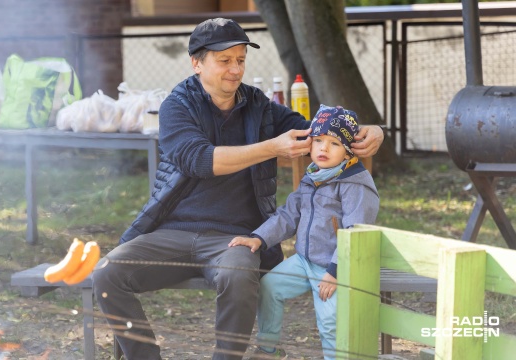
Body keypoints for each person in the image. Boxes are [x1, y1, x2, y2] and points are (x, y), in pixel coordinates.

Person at [92, 18, 384, 360]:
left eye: (241, 60)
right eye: (225, 60)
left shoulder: (258, 105)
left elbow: (316, 131)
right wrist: (271, 148)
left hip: (236, 237)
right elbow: (199, 160)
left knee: (239, 272)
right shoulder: (176, 106)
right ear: (197, 63)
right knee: (107, 274)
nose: (235, 69)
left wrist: (371, 129)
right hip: (172, 231)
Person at [230, 105, 380, 360]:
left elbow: (357, 233)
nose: (323, 148)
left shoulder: (355, 183)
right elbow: (289, 214)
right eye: (318, 140)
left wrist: (335, 272)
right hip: (304, 261)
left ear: (348, 150)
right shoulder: (314, 177)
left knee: (330, 321)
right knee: (269, 287)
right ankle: (268, 350)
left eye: (334, 143)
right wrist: (259, 237)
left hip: (337, 267)